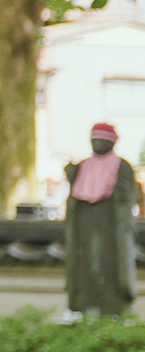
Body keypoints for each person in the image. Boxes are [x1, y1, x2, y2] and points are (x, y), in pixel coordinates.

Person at [64, 121, 139, 317]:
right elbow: (74, 199)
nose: (97, 145)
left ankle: (113, 308)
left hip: (110, 227)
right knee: (85, 266)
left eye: (101, 141)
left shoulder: (122, 166)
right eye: (94, 141)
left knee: (109, 266)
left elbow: (126, 197)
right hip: (85, 229)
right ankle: (82, 305)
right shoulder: (82, 166)